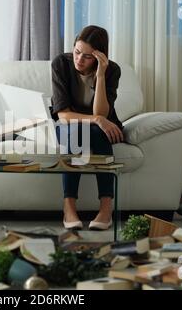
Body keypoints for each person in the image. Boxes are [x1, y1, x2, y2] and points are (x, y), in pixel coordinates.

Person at [51, 25, 124, 231]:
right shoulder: (60, 64)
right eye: (76, 52)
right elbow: (63, 114)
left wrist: (101, 75)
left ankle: (106, 208)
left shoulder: (112, 70)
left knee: (98, 132)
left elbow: (102, 113)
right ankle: (69, 206)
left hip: (99, 128)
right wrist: (97, 120)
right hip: (70, 124)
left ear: (99, 56)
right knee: (74, 132)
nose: (79, 60)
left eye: (87, 56)